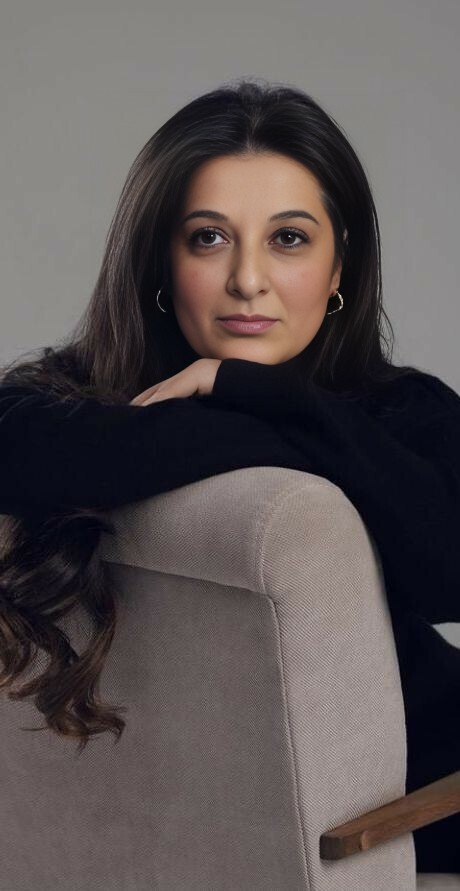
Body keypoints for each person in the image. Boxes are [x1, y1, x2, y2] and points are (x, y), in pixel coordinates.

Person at [0, 78, 459, 873]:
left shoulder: (400, 411)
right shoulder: (57, 415)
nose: (249, 279)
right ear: (160, 261)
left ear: (340, 266)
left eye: (289, 239)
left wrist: (262, 391)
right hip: (372, 815)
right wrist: (281, 411)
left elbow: (452, 578)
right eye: (209, 238)